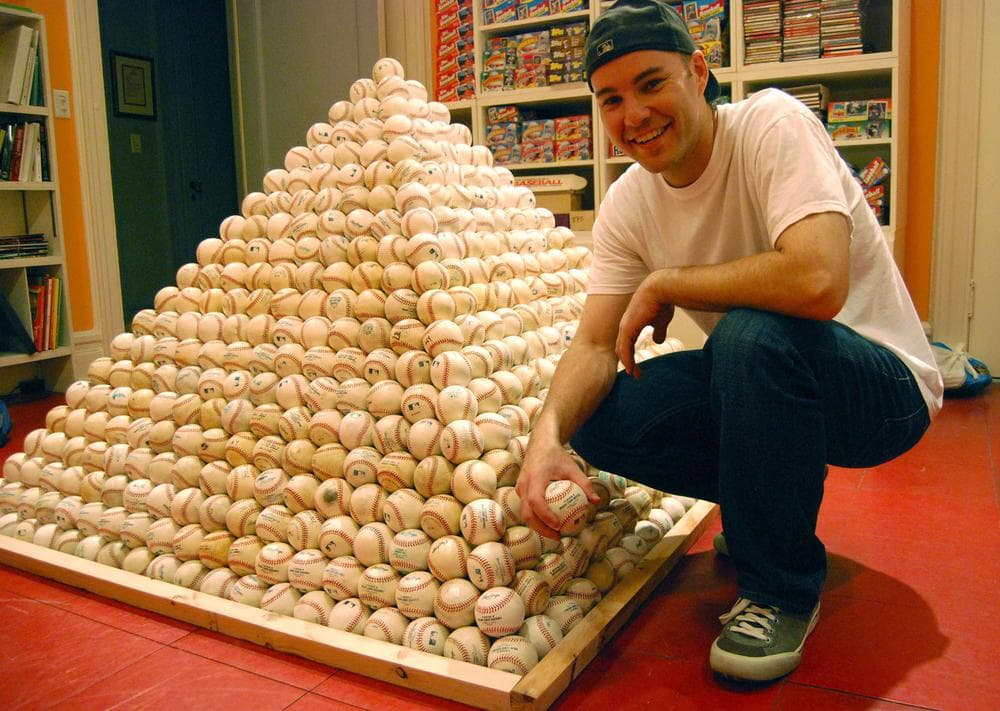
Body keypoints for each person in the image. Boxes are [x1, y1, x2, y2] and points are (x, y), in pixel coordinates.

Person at [515, 0, 942, 684]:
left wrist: (672, 281)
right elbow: (594, 345)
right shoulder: (630, 203)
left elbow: (819, 278)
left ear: (697, 71)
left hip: (884, 388)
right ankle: (761, 507)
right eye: (611, 98)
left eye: (651, 83)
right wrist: (547, 436)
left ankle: (780, 588)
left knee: (747, 338)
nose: (634, 115)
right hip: (769, 378)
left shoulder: (771, 124)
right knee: (602, 413)